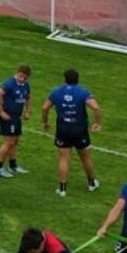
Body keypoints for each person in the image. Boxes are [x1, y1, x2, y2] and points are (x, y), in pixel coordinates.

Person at [41, 68, 101, 196]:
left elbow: (45, 107)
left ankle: (62, 189)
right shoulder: (82, 92)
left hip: (63, 129)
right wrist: (96, 123)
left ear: (64, 79)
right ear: (77, 80)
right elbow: (95, 107)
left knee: (63, 158)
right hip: (80, 129)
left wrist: (45, 122)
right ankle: (91, 183)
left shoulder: (56, 92)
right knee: (85, 157)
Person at [0, 65, 31, 178]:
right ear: (17, 73)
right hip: (8, 117)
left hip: (17, 117)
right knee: (8, 142)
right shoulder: (9, 83)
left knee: (15, 141)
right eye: (21, 76)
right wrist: (1, 111)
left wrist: (27, 111)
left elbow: (28, 97)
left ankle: (13, 166)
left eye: (25, 77)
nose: (22, 79)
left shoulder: (26, 85)